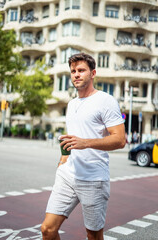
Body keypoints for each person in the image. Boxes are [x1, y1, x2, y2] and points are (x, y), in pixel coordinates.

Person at [41, 52, 126, 240]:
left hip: (93, 179)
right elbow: (71, 138)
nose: (76, 74)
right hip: (68, 175)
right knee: (47, 230)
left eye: (81, 70)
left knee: (93, 235)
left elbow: (120, 140)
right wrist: (62, 160)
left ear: (93, 73)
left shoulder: (106, 101)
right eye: (73, 71)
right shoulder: (71, 104)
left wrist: (85, 143)